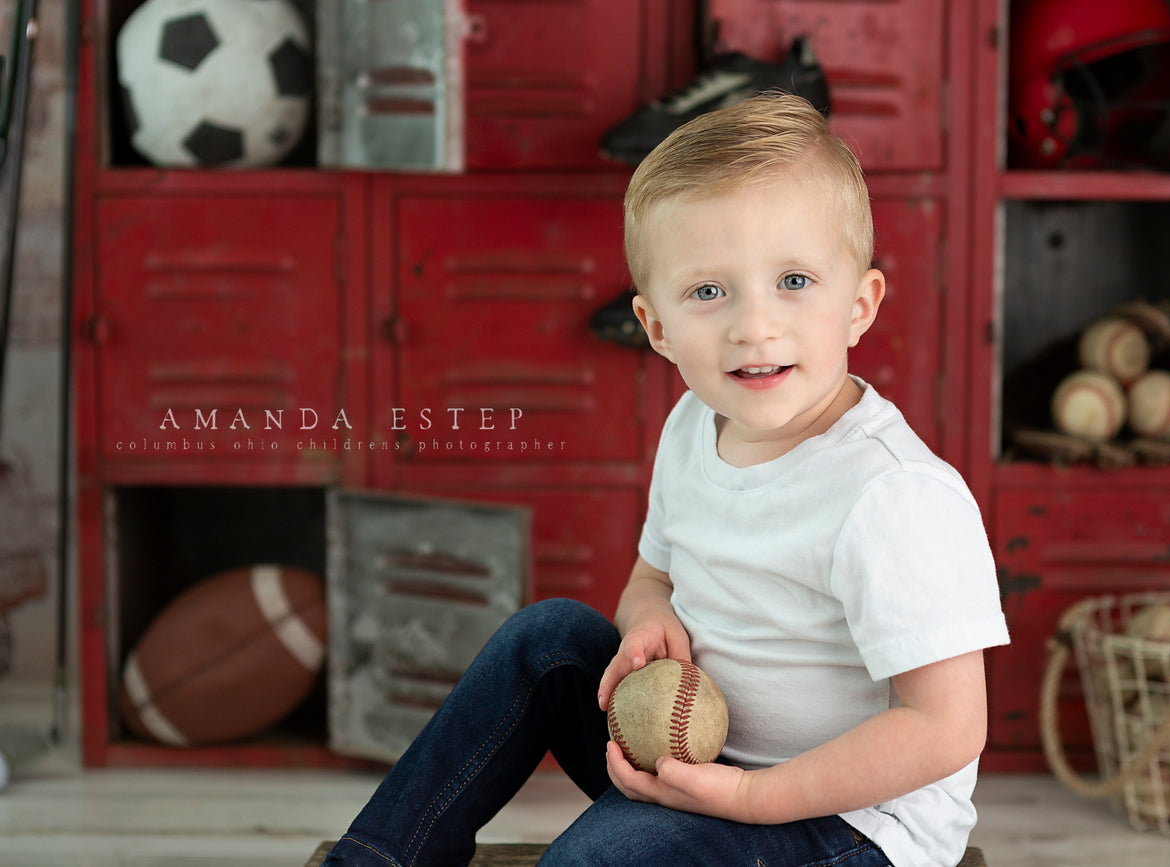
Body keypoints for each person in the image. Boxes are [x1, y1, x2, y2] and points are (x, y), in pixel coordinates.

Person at [322, 93, 1010, 867]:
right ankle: (378, 859)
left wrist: (754, 798)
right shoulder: (693, 424)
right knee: (546, 637)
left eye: (793, 280)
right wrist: (647, 614)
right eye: (708, 292)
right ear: (656, 328)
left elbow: (943, 727)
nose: (754, 325)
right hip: (702, 764)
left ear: (859, 305)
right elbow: (656, 571)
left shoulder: (892, 496)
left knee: (591, 863)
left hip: (848, 821)